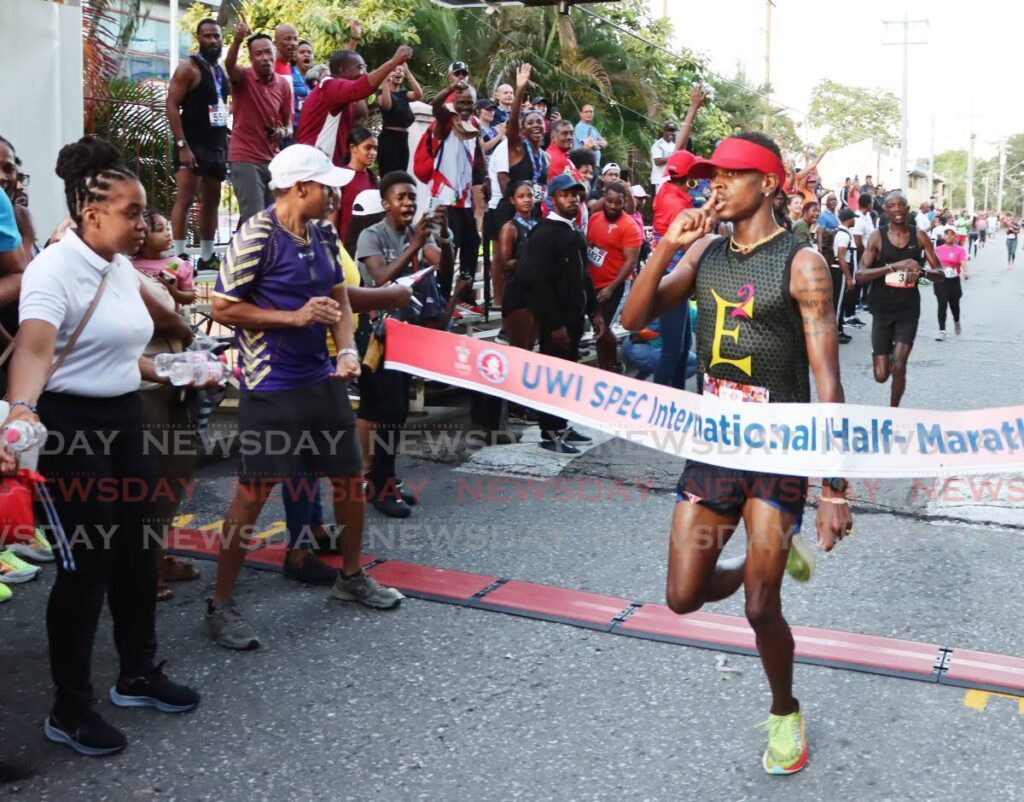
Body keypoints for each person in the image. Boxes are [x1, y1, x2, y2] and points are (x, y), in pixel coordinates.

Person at [620, 131, 852, 776]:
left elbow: (828, 380)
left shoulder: (802, 263)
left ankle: (785, 711)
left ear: (769, 185)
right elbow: (632, 316)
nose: (713, 185)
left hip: (778, 455)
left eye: (728, 175)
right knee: (682, 596)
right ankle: (763, 561)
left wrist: (834, 486)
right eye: (708, 176)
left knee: (759, 605)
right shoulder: (704, 251)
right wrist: (666, 244)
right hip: (715, 448)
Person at [2, 135, 200, 756]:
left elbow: (116, 348)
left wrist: (169, 370)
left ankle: (138, 672)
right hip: (68, 426)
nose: (144, 224)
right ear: (92, 215)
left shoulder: (116, 267)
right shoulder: (52, 270)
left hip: (123, 418)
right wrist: (23, 409)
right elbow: (36, 350)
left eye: (144, 212)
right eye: (133, 212)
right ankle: (70, 707)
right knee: (87, 565)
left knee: (139, 548)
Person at [206, 145, 405, 650]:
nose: (334, 193)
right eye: (326, 185)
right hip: (270, 385)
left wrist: (345, 352)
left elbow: (339, 298)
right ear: (300, 188)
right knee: (253, 495)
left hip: (322, 379)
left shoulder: (322, 232)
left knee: (349, 481)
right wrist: (291, 319)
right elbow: (222, 308)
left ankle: (352, 576)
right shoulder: (256, 235)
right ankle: (220, 605)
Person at [355, 171, 465, 517]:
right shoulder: (370, 236)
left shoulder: (419, 235)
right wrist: (415, 245)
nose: (408, 203)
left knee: (392, 412)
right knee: (387, 411)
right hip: (379, 336)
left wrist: (443, 238)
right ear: (386, 202)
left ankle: (383, 477)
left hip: (409, 335)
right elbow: (380, 279)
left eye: (412, 198)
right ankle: (380, 484)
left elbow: (443, 268)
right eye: (401, 197)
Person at [132, 208, 202, 602]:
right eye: (138, 220)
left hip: (172, 379)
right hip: (144, 386)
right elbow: (169, 321)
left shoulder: (169, 267)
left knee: (174, 477)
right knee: (151, 484)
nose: (144, 228)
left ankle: (156, 557)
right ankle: (144, 568)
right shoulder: (121, 271)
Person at [521, 173, 606, 454]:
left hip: (575, 317)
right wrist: (554, 324)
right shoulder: (544, 234)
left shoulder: (574, 232)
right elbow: (539, 285)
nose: (572, 199)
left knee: (567, 376)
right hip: (554, 320)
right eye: (565, 194)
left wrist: (594, 311)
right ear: (551, 198)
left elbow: (584, 276)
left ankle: (562, 424)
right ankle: (550, 433)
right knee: (553, 377)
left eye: (576, 194)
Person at [858, 190, 944, 407]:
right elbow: (860, 275)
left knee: (900, 366)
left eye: (901, 204)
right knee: (881, 375)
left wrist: (921, 272)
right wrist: (894, 266)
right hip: (882, 309)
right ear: (885, 209)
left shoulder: (920, 236)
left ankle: (894, 412)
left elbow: (940, 274)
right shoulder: (877, 236)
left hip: (908, 309)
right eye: (891, 205)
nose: (896, 209)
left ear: (907, 208)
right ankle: (882, 352)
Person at [166, 18, 229, 268]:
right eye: (208, 36)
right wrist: (182, 145)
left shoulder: (220, 71)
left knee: (211, 202)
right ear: (198, 38)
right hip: (192, 144)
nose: (213, 40)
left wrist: (227, 138)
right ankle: (179, 254)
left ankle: (206, 256)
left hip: (216, 145)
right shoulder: (188, 68)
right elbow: (171, 104)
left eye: (217, 36)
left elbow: (220, 108)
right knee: (185, 199)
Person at [297, 45, 413, 166]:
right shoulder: (330, 87)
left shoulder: (341, 95)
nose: (364, 73)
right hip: (313, 165)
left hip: (326, 164)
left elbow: (362, 109)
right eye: (361, 68)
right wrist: (394, 62)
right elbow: (360, 88)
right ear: (342, 70)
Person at [224, 22, 294, 224]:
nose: (265, 58)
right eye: (258, 54)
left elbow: (289, 127)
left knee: (274, 219)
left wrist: (281, 132)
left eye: (268, 52)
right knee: (254, 220)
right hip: (245, 158)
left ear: (274, 52)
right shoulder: (243, 77)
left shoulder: (283, 84)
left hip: (272, 160)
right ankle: (250, 255)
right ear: (251, 57)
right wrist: (237, 40)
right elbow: (229, 65)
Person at [429, 79, 486, 307]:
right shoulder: (446, 119)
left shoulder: (473, 123)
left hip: (464, 199)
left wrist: (486, 179)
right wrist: (452, 89)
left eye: (469, 102)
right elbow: (435, 105)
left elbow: (479, 155)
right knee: (448, 247)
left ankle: (464, 297)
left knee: (471, 243)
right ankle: (443, 298)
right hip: (444, 197)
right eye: (461, 102)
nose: (465, 106)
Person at [586, 181, 642, 369]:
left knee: (602, 328)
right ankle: (614, 362)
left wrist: (611, 288)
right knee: (598, 327)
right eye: (609, 201)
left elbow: (631, 261)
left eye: (617, 202)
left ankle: (607, 368)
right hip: (592, 282)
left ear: (624, 202)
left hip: (615, 284)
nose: (612, 206)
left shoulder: (629, 226)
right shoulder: (595, 218)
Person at [496, 63, 549, 226]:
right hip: (511, 213)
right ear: (523, 130)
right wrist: (519, 89)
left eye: (539, 122)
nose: (535, 125)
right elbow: (512, 123)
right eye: (530, 122)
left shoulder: (544, 157)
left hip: (533, 211)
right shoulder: (517, 149)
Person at [495, 181, 538, 354]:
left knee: (530, 347)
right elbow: (504, 264)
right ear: (513, 200)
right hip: (517, 294)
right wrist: (532, 261)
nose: (526, 200)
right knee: (519, 351)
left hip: (535, 292)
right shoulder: (509, 228)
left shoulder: (537, 225)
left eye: (530, 195)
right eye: (521, 196)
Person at [131, 209, 196, 306]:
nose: (168, 234)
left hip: (167, 320)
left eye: (168, 229)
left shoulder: (176, 264)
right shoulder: (129, 266)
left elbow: (190, 297)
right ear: (142, 235)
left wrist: (173, 292)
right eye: (159, 230)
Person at [377, 63, 422, 176]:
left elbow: (418, 95)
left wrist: (408, 73)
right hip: (388, 138)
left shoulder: (404, 94)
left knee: (401, 174)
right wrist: (385, 82)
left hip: (403, 138)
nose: (398, 72)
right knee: (388, 175)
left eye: (400, 71)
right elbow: (387, 106)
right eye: (394, 70)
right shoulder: (381, 92)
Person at [335, 127, 376, 242]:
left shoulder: (372, 178)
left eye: (375, 148)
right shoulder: (340, 176)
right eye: (368, 148)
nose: (373, 152)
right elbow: (331, 219)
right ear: (353, 148)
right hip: (346, 246)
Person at [933, 227, 967, 341]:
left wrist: (965, 272)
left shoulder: (960, 250)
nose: (949, 236)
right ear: (943, 236)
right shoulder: (937, 249)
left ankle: (956, 321)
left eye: (951, 234)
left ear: (955, 236)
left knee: (954, 306)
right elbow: (932, 263)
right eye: (946, 234)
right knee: (942, 304)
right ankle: (941, 331)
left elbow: (963, 262)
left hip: (954, 280)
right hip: (940, 280)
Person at [830, 208, 858, 345]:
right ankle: (834, 332)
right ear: (849, 219)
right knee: (838, 303)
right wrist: (848, 277)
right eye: (853, 218)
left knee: (840, 302)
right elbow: (841, 257)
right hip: (840, 273)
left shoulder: (845, 233)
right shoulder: (843, 235)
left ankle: (839, 330)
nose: (855, 220)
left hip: (841, 272)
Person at [650, 122, 678, 187]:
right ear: (664, 132)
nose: (671, 133)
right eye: (669, 131)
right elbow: (657, 161)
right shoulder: (658, 144)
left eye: (673, 131)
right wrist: (673, 157)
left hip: (671, 179)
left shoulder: (674, 145)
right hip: (660, 179)